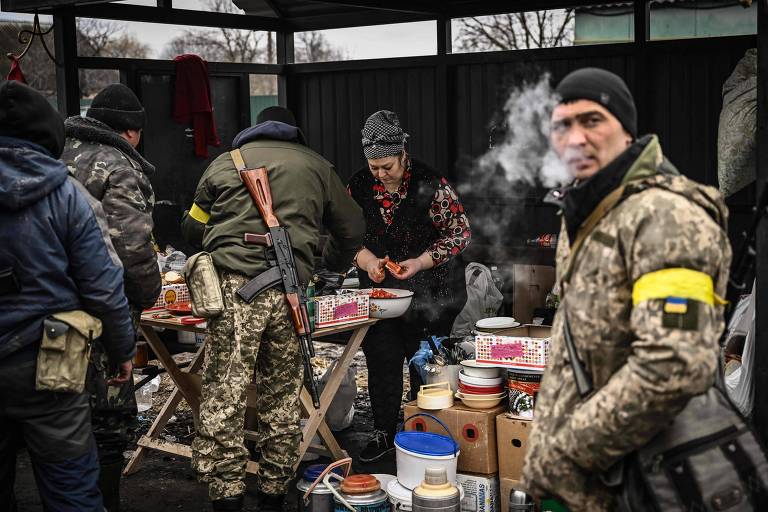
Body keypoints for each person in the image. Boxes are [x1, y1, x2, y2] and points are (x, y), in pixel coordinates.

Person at [521, 68, 732, 510]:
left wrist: (568, 450)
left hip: (639, 485)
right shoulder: (585, 211)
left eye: (592, 120)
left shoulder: (667, 216)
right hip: (583, 489)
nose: (576, 138)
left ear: (627, 130)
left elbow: (672, 365)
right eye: (563, 125)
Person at [181, 106, 365, 511]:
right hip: (291, 294)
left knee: (224, 396)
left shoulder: (223, 164)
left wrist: (221, 236)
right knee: (282, 399)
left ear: (252, 132)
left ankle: (226, 495)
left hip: (232, 292)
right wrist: (329, 267)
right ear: (293, 136)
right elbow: (352, 228)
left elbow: (192, 226)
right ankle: (273, 494)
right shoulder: (318, 166)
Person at [0, 81, 136, 511]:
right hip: (50, 360)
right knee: (71, 490)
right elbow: (104, 283)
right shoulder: (67, 194)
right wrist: (121, 350)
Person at [348, 110, 471, 462]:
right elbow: (345, 237)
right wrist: (369, 261)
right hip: (382, 297)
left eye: (387, 165)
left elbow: (459, 233)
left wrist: (419, 261)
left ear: (403, 153)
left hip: (435, 292)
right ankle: (384, 433)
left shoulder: (431, 184)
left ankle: (424, 435)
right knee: (382, 359)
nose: (381, 174)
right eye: (374, 167)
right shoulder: (357, 186)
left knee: (425, 365)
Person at [60, 83, 161, 512]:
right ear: (131, 131)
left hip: (44, 310)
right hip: (100, 314)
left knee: (54, 416)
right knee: (107, 420)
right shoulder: (117, 165)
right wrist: (149, 294)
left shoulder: (56, 154)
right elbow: (131, 248)